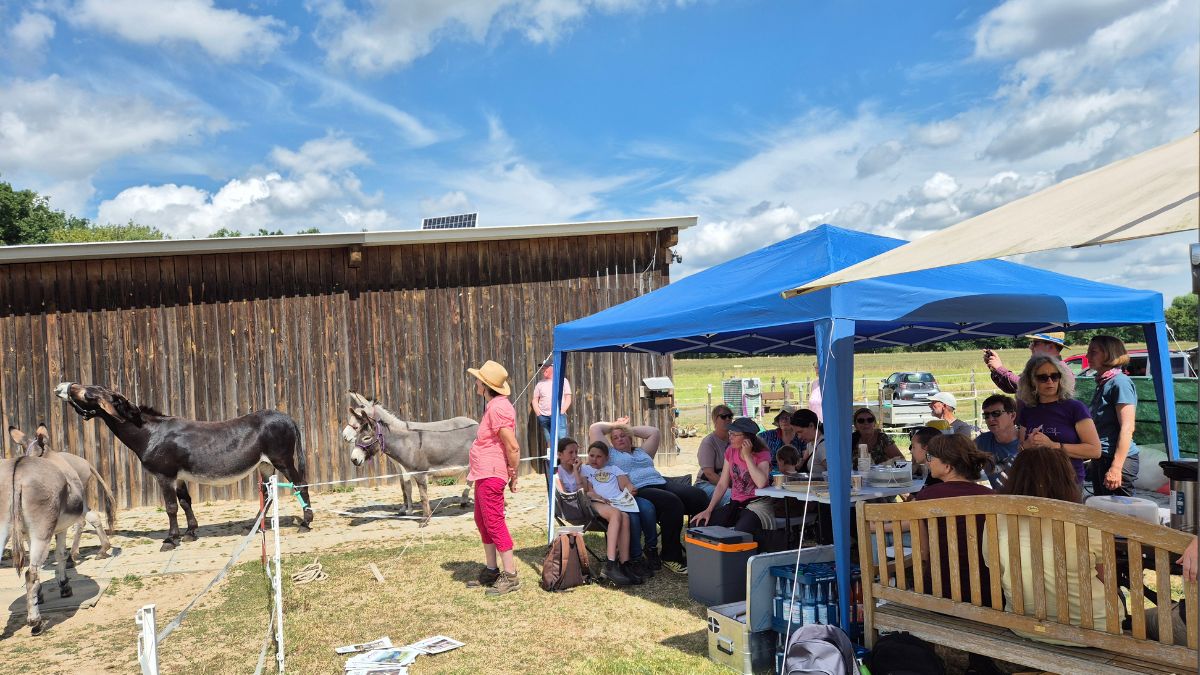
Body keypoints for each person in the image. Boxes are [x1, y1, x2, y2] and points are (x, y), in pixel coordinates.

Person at [986, 446, 1125, 647]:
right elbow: (1108, 581)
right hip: (1096, 631)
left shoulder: (995, 520)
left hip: (1024, 625)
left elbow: (994, 568)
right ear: (1066, 478)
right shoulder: (1087, 522)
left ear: (1015, 477)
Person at [589, 417, 708, 575]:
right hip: (639, 488)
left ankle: (702, 548)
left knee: (699, 496)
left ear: (630, 437)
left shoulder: (642, 452)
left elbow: (654, 432)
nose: (619, 439)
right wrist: (617, 426)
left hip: (660, 482)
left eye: (623, 435)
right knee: (672, 503)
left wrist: (628, 428)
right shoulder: (610, 455)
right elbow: (595, 428)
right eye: (615, 437)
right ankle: (670, 556)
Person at [912, 434, 994, 604]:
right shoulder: (993, 498)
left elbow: (923, 553)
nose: (927, 462)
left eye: (930, 457)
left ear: (947, 466)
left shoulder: (926, 496)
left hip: (939, 593)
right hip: (988, 594)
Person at [465, 360, 521, 595]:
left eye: (478, 379)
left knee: (494, 521)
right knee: (482, 519)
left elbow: (512, 446)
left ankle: (510, 576)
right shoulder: (494, 405)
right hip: (483, 472)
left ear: (486, 385)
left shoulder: (498, 408)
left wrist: (513, 473)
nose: (476, 382)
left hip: (492, 473)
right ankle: (491, 569)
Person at [1015, 355, 1101, 485]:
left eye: (1055, 376)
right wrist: (1027, 445)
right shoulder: (1028, 411)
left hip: (1067, 482)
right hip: (1035, 480)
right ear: (1032, 382)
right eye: (1043, 378)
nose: (1050, 381)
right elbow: (1020, 450)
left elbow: (1095, 450)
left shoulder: (1075, 408)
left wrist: (1053, 445)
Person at [693, 418, 774, 539]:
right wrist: (709, 510)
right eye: (730, 433)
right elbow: (722, 484)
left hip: (757, 505)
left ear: (747, 439)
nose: (730, 437)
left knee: (740, 534)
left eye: (734, 434)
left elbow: (761, 483)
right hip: (735, 504)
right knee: (698, 525)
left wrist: (747, 456)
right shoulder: (731, 451)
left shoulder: (762, 453)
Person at [579, 442, 642, 585]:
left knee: (625, 517)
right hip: (597, 503)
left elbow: (625, 484)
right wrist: (597, 496)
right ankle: (610, 563)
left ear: (607, 458)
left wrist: (630, 488)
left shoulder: (614, 468)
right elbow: (586, 489)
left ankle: (624, 563)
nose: (594, 459)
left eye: (599, 456)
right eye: (591, 455)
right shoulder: (585, 469)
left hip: (616, 502)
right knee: (617, 514)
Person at [1085, 335, 1139, 497]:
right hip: (1102, 457)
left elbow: (1127, 427)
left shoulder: (1120, 383)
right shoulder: (1104, 383)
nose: (1088, 356)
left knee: (1120, 516)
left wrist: (1116, 468)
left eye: (1093, 352)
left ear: (1109, 354)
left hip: (1116, 460)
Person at [984, 332, 1076, 394]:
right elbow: (1011, 388)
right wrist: (994, 369)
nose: (1030, 347)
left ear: (1051, 347)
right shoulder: (1039, 367)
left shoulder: (1060, 370)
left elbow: (1022, 385)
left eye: (1035, 343)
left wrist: (999, 368)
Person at [974, 394, 1020, 490]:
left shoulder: (1027, 442)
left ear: (1012, 416)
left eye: (996, 413)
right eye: (986, 415)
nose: (990, 419)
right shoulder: (982, 441)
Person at [695, 405, 733, 506]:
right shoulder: (708, 442)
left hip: (728, 484)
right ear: (714, 420)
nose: (728, 419)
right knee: (733, 496)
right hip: (706, 484)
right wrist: (729, 486)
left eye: (730, 416)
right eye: (723, 416)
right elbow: (709, 474)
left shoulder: (734, 440)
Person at [531, 364, 571, 447]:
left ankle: (562, 459)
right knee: (549, 439)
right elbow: (535, 400)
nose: (543, 369)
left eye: (545, 367)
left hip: (559, 415)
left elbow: (568, 398)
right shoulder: (540, 384)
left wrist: (562, 411)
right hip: (544, 416)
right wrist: (539, 414)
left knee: (562, 439)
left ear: (552, 367)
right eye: (542, 368)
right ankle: (551, 459)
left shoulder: (563, 380)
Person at [759, 404, 803, 470]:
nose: (784, 421)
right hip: (772, 475)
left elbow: (805, 455)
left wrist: (801, 462)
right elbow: (754, 440)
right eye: (781, 418)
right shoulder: (769, 435)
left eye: (788, 418)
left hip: (794, 474)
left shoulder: (800, 437)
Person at [790, 409, 826, 474]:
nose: (799, 437)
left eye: (800, 432)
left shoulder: (823, 447)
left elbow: (837, 473)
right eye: (797, 434)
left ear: (811, 425)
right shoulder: (810, 443)